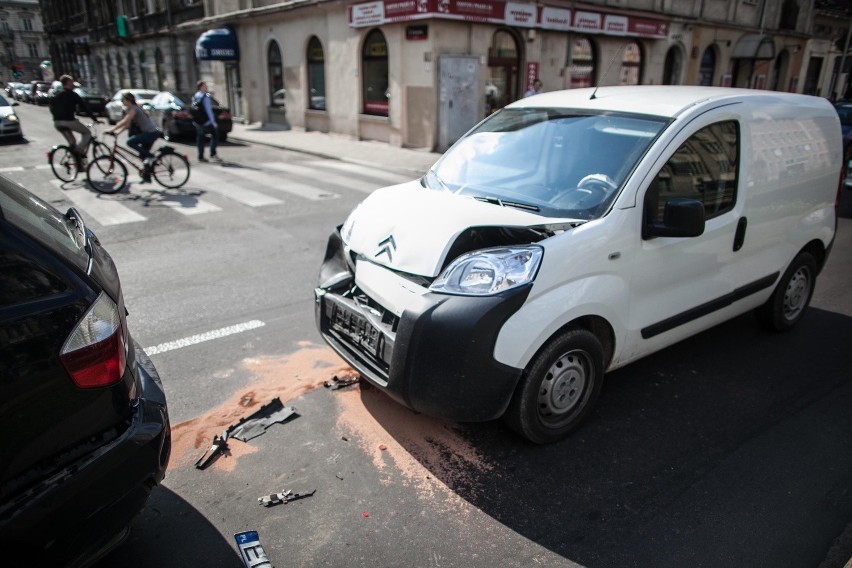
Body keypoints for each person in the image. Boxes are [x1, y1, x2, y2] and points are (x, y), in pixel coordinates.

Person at [107, 91, 161, 183]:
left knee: (130, 142)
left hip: (151, 133)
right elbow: (127, 125)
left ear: (128, 100)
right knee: (143, 155)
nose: (122, 102)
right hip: (151, 133)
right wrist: (117, 133)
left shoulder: (133, 108)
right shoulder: (132, 108)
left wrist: (112, 129)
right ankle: (147, 176)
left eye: (123, 100)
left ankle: (152, 157)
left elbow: (125, 120)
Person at [50, 74, 100, 161]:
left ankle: (77, 163)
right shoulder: (72, 94)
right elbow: (85, 107)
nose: (73, 84)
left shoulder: (56, 94)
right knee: (87, 133)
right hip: (68, 120)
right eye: (72, 82)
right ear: (68, 83)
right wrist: (95, 119)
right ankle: (79, 150)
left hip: (57, 122)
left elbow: (51, 107)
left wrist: (56, 117)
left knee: (72, 142)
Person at [192, 81, 221, 163]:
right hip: (206, 122)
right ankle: (213, 154)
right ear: (200, 87)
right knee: (215, 135)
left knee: (200, 139)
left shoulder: (195, 96)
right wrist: (213, 122)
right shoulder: (205, 97)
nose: (206, 88)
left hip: (198, 122)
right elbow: (209, 111)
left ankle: (200, 156)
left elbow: (194, 109)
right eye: (205, 86)